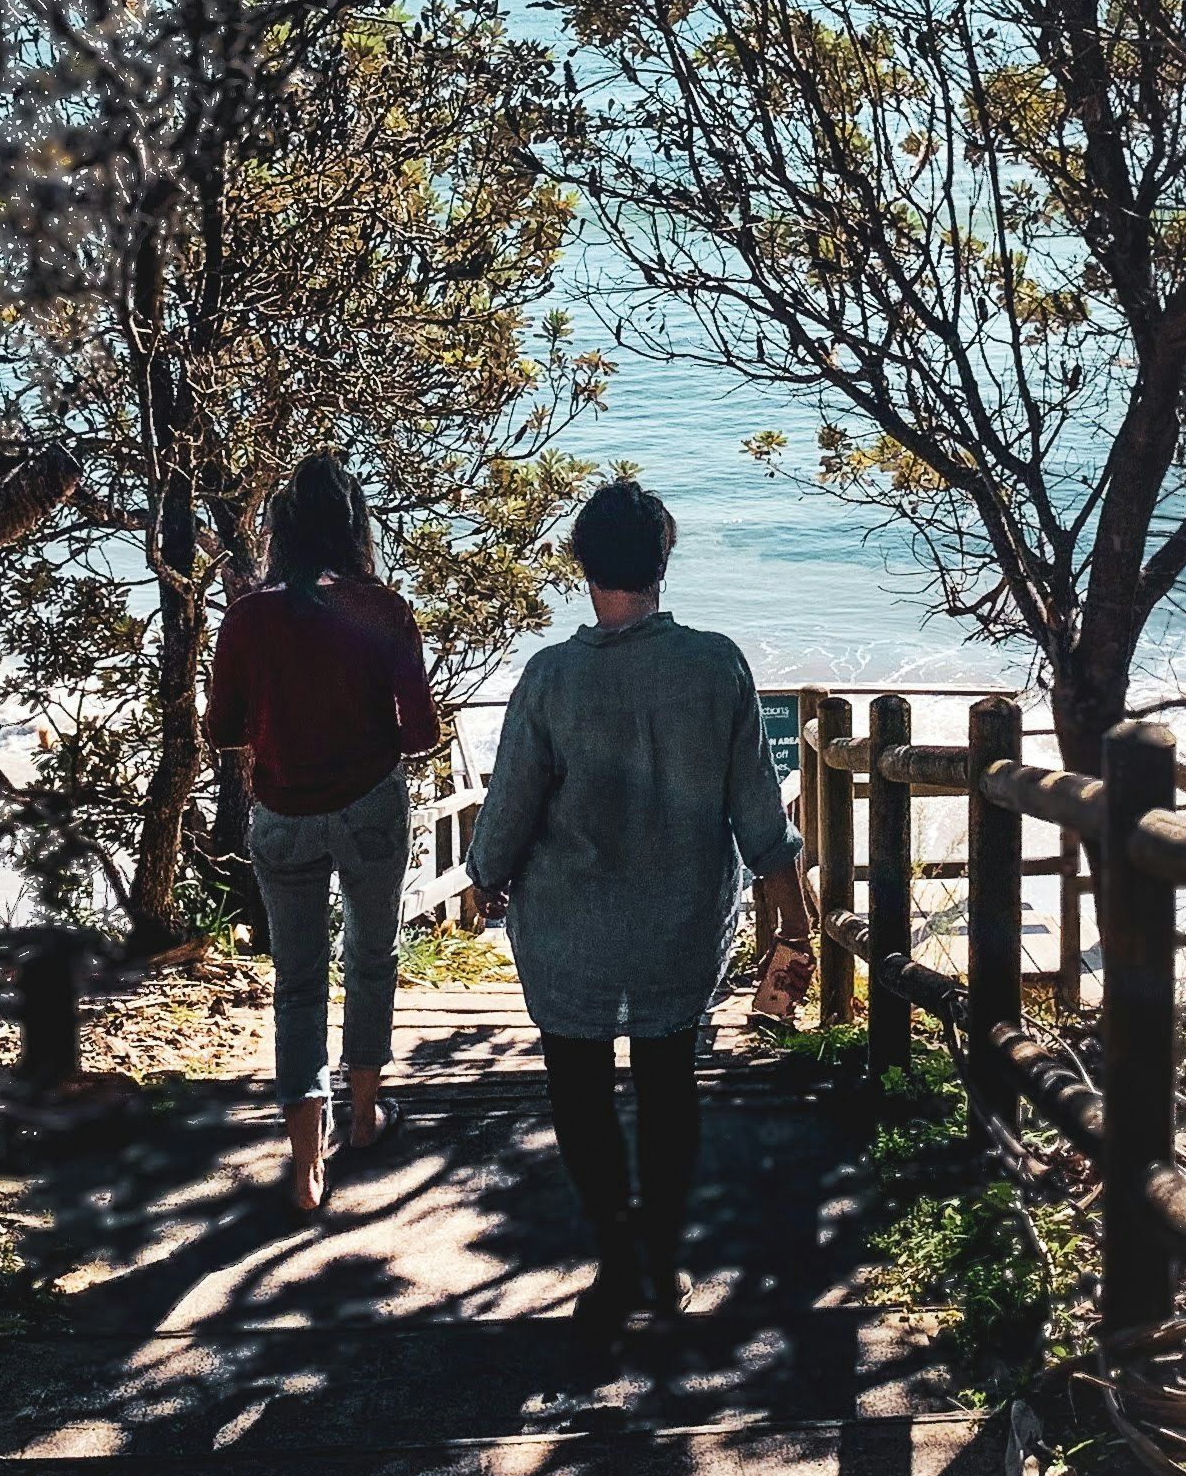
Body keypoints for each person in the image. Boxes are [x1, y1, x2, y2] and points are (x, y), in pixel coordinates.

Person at [467, 476, 817, 1329]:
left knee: (578, 1088)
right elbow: (756, 805)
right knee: (669, 1085)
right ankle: (659, 1264)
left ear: (581, 563)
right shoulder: (715, 662)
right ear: (663, 561)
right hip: (681, 921)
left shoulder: (550, 677)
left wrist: (483, 877)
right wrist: (791, 908)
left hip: (569, 927)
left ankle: (616, 1260)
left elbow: (509, 804)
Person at [206, 451, 440, 1213]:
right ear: (354, 526)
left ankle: (306, 1162)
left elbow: (222, 731)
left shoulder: (249, 616)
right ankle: (365, 1116)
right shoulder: (383, 607)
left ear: (281, 529)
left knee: (298, 982)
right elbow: (420, 736)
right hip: (370, 804)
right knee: (371, 955)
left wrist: (285, 722)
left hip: (282, 814)